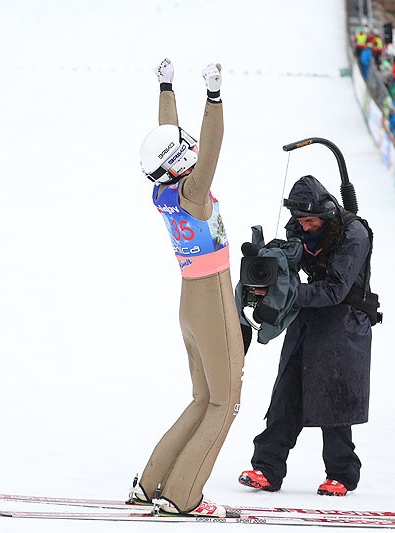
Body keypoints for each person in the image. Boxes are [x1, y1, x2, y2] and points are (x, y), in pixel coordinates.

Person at [131, 58, 244, 518]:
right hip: (213, 298)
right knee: (225, 402)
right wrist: (214, 97)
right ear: (179, 160)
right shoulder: (194, 191)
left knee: (203, 398)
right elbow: (211, 147)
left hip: (189, 300)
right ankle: (184, 495)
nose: (191, 146)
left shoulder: (165, 190)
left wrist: (166, 87)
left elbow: (165, 137)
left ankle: (151, 484)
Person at [238, 175, 374, 497]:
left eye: (310, 221)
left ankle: (342, 474)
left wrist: (286, 294)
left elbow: (335, 289)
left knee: (334, 401)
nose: (305, 226)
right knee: (286, 395)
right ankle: (267, 469)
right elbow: (291, 264)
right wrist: (270, 267)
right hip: (307, 321)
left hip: (343, 324)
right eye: (300, 221)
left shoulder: (354, 234)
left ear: (325, 213)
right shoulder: (299, 228)